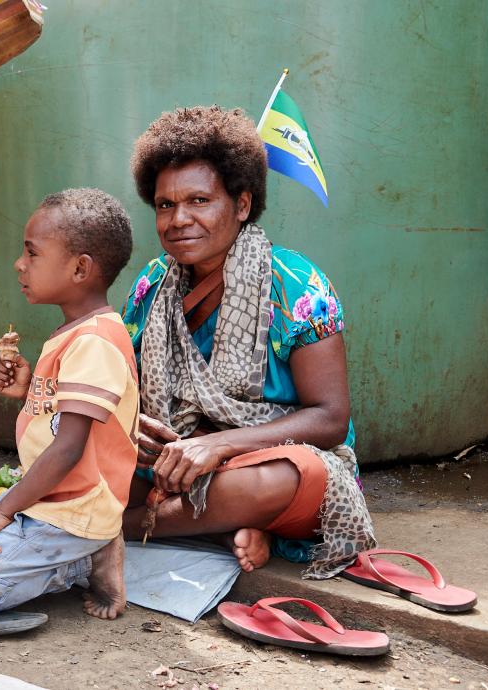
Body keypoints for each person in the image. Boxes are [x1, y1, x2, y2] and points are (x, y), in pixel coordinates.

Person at [120, 105, 375, 578]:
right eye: (165, 205)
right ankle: (224, 527)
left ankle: (127, 527)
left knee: (291, 478)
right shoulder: (152, 285)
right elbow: (124, 386)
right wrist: (132, 428)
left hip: (266, 459)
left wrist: (221, 447)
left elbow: (331, 418)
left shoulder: (296, 284)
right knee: (93, 453)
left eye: (199, 200)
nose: (178, 219)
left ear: (241, 204)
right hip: (175, 460)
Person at [0, 188, 139, 620]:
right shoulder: (74, 331)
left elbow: (69, 448)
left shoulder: (95, 341)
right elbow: (66, 421)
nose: (19, 264)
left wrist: (1, 513)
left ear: (80, 268)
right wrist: (29, 392)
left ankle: (82, 560)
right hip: (44, 501)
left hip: (68, 513)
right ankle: (42, 549)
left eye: (32, 253)